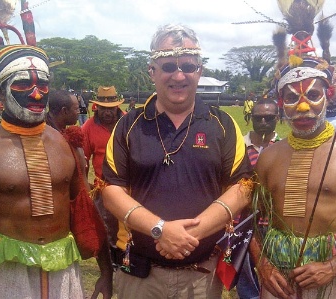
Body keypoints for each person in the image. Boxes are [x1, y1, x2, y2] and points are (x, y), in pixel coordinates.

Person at [101, 24, 253, 298]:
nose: (179, 75)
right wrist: (160, 230)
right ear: (152, 72)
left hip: (201, 278)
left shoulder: (223, 125)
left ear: (200, 71)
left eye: (188, 66)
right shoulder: (128, 125)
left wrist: (186, 236)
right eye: (169, 66)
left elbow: (242, 187)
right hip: (140, 276)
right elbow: (111, 191)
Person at [0, 45, 111, 299]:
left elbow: (85, 211)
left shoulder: (63, 145)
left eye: (42, 83)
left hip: (64, 273)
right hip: (10, 275)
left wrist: (106, 273)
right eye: (23, 85)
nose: (37, 94)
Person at [253, 56, 336, 298]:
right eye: (291, 98)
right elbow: (249, 219)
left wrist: (335, 264)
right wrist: (263, 263)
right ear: (281, 103)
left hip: (330, 276)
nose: (303, 107)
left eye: (313, 95)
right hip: (277, 282)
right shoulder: (269, 157)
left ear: (328, 95)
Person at [46, 89, 113, 295]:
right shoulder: (62, 139)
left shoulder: (70, 138)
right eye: (77, 108)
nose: (80, 111)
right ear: (64, 110)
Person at [237, 99, 281, 299]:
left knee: (275, 277)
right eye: (258, 117)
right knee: (246, 277)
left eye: (269, 117)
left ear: (277, 119)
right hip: (243, 222)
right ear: (250, 119)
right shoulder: (239, 147)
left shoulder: (284, 149)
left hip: (274, 225)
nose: (263, 121)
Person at [82, 86, 125, 248]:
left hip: (130, 187)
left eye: (111, 109)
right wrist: (84, 186)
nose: (107, 112)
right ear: (96, 107)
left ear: (117, 107)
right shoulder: (88, 127)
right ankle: (111, 264)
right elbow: (83, 160)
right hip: (103, 188)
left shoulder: (127, 122)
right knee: (105, 229)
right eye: (103, 109)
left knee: (130, 227)